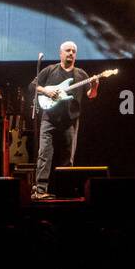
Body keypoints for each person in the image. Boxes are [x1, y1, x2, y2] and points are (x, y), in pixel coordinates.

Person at [29, 41, 99, 200]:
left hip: (70, 121)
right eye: (67, 50)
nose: (71, 53)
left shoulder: (81, 74)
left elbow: (91, 95)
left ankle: (65, 190)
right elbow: (33, 86)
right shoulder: (50, 70)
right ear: (60, 53)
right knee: (44, 155)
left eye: (73, 51)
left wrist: (95, 86)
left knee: (68, 158)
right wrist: (46, 91)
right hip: (49, 119)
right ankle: (40, 191)